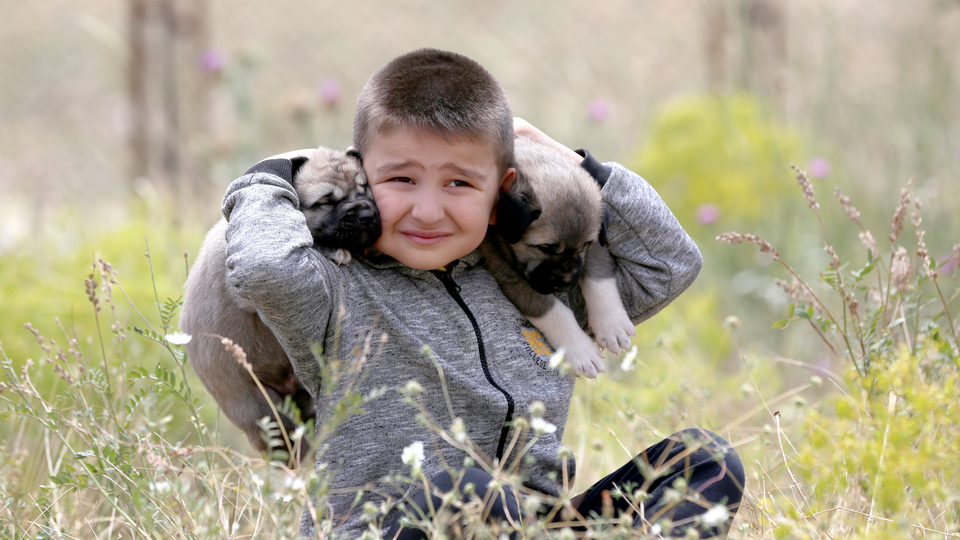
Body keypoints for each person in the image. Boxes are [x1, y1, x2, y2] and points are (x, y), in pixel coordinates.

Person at [221, 48, 744, 538]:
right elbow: (263, 268)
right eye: (401, 178)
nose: (428, 211)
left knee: (706, 461)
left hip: (534, 520)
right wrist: (277, 175)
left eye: (459, 184)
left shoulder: (535, 279)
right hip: (395, 522)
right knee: (466, 491)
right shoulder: (334, 288)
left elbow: (670, 263)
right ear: (360, 170)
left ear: (503, 188)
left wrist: (569, 162)